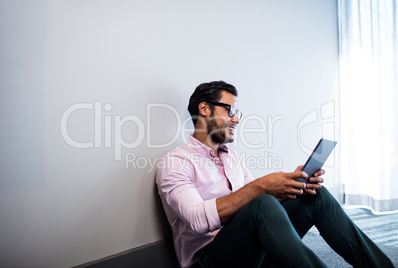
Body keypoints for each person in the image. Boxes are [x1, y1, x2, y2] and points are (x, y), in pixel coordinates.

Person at [156, 81, 394, 268]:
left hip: (252, 256)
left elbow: (256, 209)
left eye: (237, 112)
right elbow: (197, 220)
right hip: (211, 261)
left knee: (314, 196)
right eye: (230, 110)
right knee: (261, 203)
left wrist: (293, 185)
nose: (236, 119)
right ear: (204, 108)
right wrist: (262, 187)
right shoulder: (176, 162)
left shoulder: (233, 158)